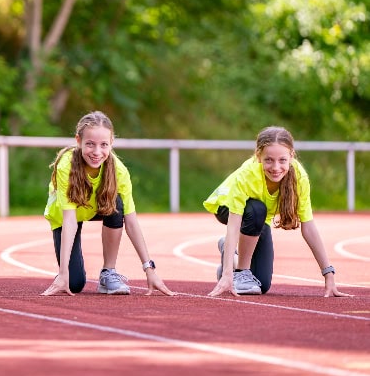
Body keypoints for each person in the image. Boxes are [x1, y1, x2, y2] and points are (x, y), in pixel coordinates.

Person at [203, 126, 352, 297]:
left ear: (291, 156)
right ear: (258, 157)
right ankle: (240, 272)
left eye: (282, 160)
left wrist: (329, 274)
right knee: (257, 209)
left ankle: (230, 257)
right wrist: (229, 275)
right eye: (268, 160)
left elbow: (308, 227)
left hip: (259, 217)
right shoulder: (247, 174)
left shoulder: (299, 178)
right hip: (226, 208)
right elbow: (234, 224)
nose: (276, 167)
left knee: (262, 284)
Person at [41, 111, 175, 296]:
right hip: (66, 215)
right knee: (74, 284)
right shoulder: (66, 166)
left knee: (117, 203)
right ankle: (66, 275)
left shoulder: (119, 172)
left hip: (97, 207)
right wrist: (63, 273)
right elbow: (70, 220)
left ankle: (108, 272)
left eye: (104, 145)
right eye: (90, 144)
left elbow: (131, 221)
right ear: (78, 141)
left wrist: (149, 269)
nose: (97, 152)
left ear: (111, 143)